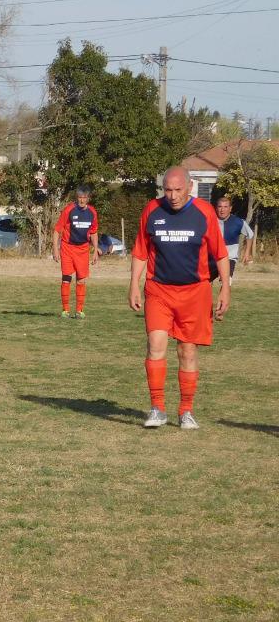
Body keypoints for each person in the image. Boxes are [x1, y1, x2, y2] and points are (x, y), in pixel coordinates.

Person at [129, 166, 230, 430]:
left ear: (189, 188)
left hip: (195, 292)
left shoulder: (204, 213)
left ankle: (186, 410)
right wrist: (133, 285)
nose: (172, 196)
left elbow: (220, 254)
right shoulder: (152, 209)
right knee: (156, 344)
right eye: (167, 190)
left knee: (187, 350)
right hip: (159, 290)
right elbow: (140, 251)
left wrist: (226, 289)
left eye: (177, 190)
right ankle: (157, 408)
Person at [52, 184, 99, 318]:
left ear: (88, 198)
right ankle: (65, 310)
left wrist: (95, 251)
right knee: (66, 278)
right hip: (67, 248)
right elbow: (57, 230)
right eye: (79, 197)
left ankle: (79, 311)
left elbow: (94, 232)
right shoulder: (69, 210)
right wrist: (55, 249)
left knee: (81, 280)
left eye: (84, 198)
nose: (82, 200)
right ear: (77, 198)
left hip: (83, 249)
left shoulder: (92, 212)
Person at [209, 194, 255, 284]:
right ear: (216, 208)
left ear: (230, 208)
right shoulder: (209, 220)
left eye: (225, 207)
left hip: (229, 258)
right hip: (211, 258)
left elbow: (250, 235)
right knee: (205, 282)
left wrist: (247, 253)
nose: (222, 210)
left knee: (226, 282)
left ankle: (225, 296)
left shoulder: (238, 222)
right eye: (220, 207)